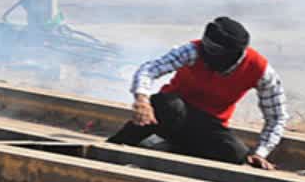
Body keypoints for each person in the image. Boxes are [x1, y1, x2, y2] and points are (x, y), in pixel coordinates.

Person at [108, 17, 288, 169]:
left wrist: (261, 152)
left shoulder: (261, 71)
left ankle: (169, 148)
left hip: (209, 124)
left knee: (236, 155)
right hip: (173, 114)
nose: (205, 55)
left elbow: (277, 117)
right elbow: (150, 69)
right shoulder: (193, 50)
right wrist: (142, 99)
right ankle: (116, 145)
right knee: (168, 105)